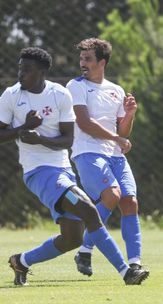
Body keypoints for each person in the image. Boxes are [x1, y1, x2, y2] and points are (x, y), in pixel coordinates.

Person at [1, 47, 148, 285]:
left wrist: (38, 137)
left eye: (26, 69)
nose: (20, 73)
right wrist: (22, 129)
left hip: (63, 171)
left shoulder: (59, 94)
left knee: (72, 239)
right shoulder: (12, 95)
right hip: (39, 173)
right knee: (90, 211)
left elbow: (67, 140)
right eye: (20, 68)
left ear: (42, 72)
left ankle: (21, 261)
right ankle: (126, 271)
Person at [66, 38, 146, 276]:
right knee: (111, 195)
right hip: (88, 152)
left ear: (102, 62)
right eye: (81, 58)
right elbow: (84, 123)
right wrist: (117, 140)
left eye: (88, 58)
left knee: (129, 202)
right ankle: (84, 247)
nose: (82, 63)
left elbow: (123, 131)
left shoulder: (116, 90)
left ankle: (134, 262)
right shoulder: (76, 86)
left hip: (115, 156)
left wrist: (130, 114)